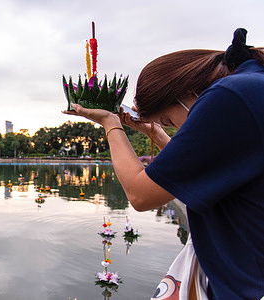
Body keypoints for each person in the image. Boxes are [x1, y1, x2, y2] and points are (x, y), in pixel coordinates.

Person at [64, 28, 264, 299]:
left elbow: (140, 194)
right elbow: (195, 167)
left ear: (185, 94)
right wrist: (156, 134)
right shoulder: (249, 87)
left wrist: (110, 123)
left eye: (169, 121)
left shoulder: (228, 96)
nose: (177, 129)